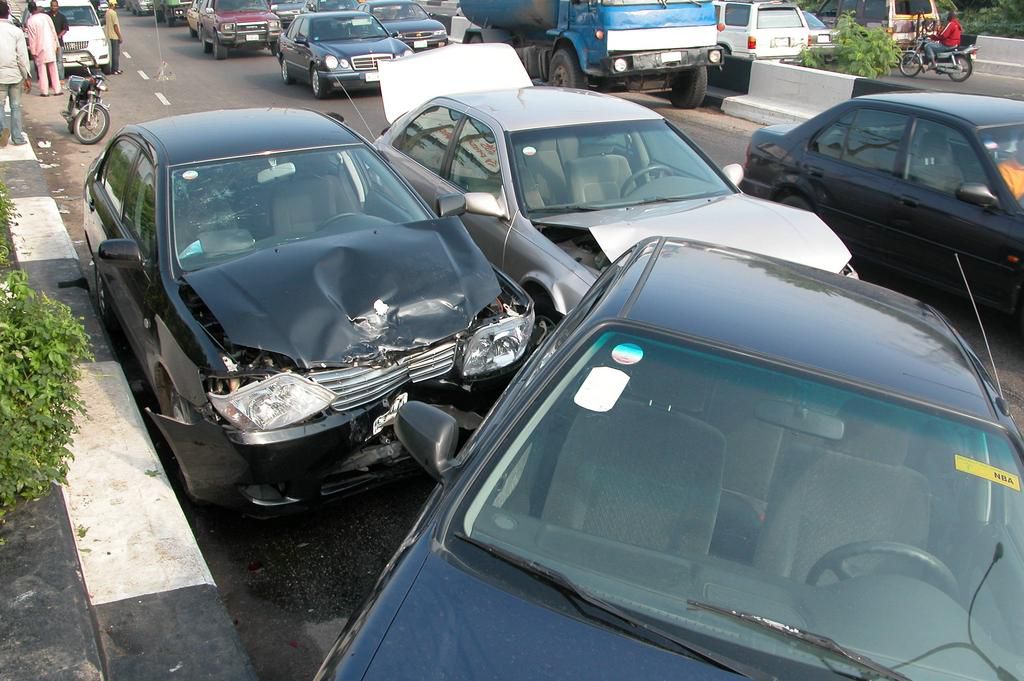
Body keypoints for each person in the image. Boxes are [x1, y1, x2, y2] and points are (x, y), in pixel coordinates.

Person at [0, 0, 31, 146]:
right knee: (16, 107)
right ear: (8, 14)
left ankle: (1, 133)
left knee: (0, 106)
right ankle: (17, 138)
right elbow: (22, 56)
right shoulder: (16, 32)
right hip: (15, 74)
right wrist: (27, 77)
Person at [25, 0, 60, 95]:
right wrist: (57, 45)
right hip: (50, 46)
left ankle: (44, 91)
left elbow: (32, 38)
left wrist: (32, 51)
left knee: (42, 71)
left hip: (39, 48)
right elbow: (53, 31)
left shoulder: (30, 21)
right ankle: (57, 90)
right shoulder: (46, 17)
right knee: (53, 69)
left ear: (29, 10)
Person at [48, 0, 67, 83]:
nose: (54, 7)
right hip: (49, 43)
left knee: (59, 61)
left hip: (59, 43)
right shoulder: (47, 16)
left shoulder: (62, 17)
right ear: (50, 6)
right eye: (52, 6)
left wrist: (59, 36)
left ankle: (61, 78)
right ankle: (53, 80)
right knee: (52, 61)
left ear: (58, 6)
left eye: (55, 6)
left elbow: (65, 28)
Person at [104, 0, 121, 75]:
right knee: (116, 53)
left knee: (112, 53)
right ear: (112, 5)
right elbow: (115, 26)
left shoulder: (107, 12)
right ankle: (115, 69)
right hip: (114, 35)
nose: (116, 6)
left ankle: (113, 69)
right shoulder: (113, 13)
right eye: (115, 5)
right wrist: (120, 36)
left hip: (109, 35)